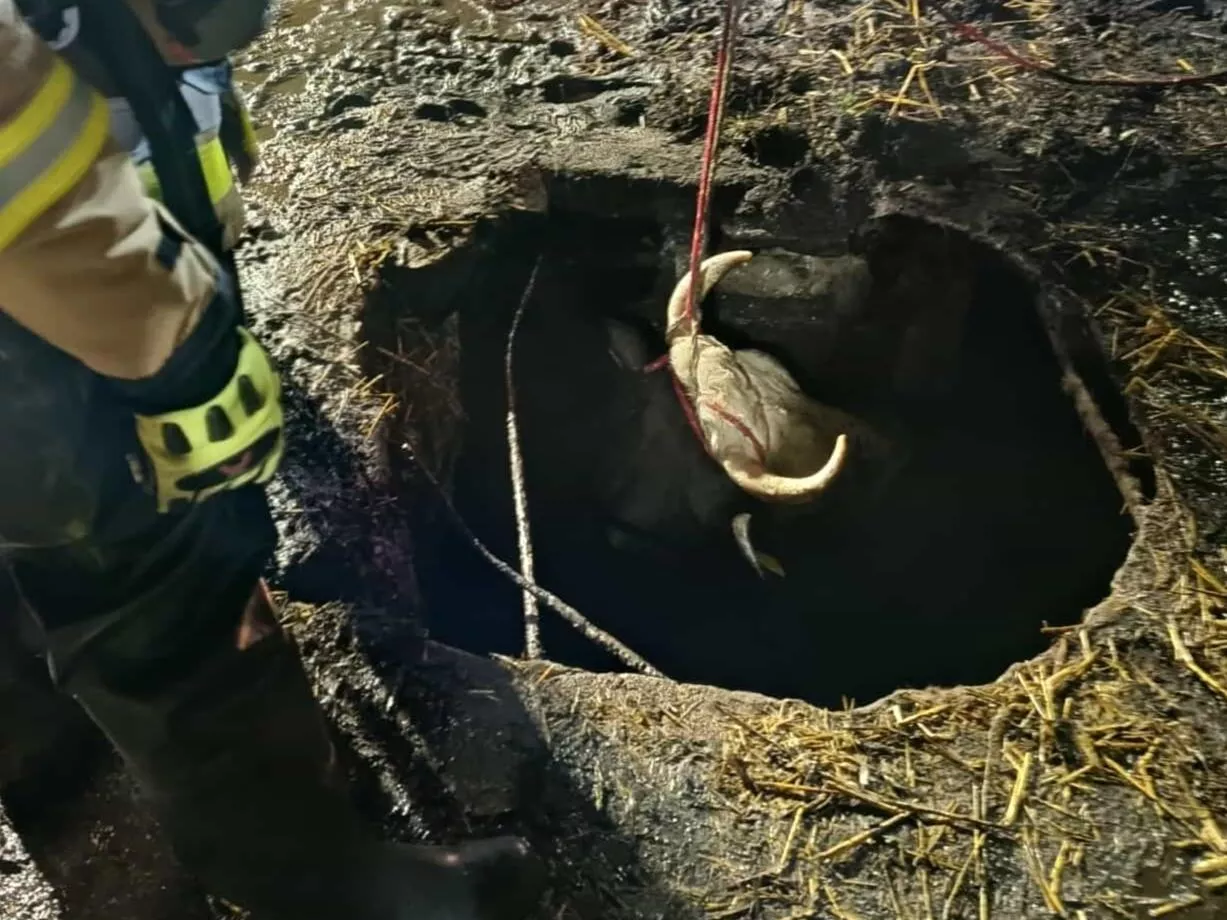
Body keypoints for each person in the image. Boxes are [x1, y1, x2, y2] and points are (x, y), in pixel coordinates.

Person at [0, 1, 546, 917]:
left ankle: (93, 830)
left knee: (24, 624)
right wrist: (189, 355)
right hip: (55, 363)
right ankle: (320, 887)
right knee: (184, 619)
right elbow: (33, 188)